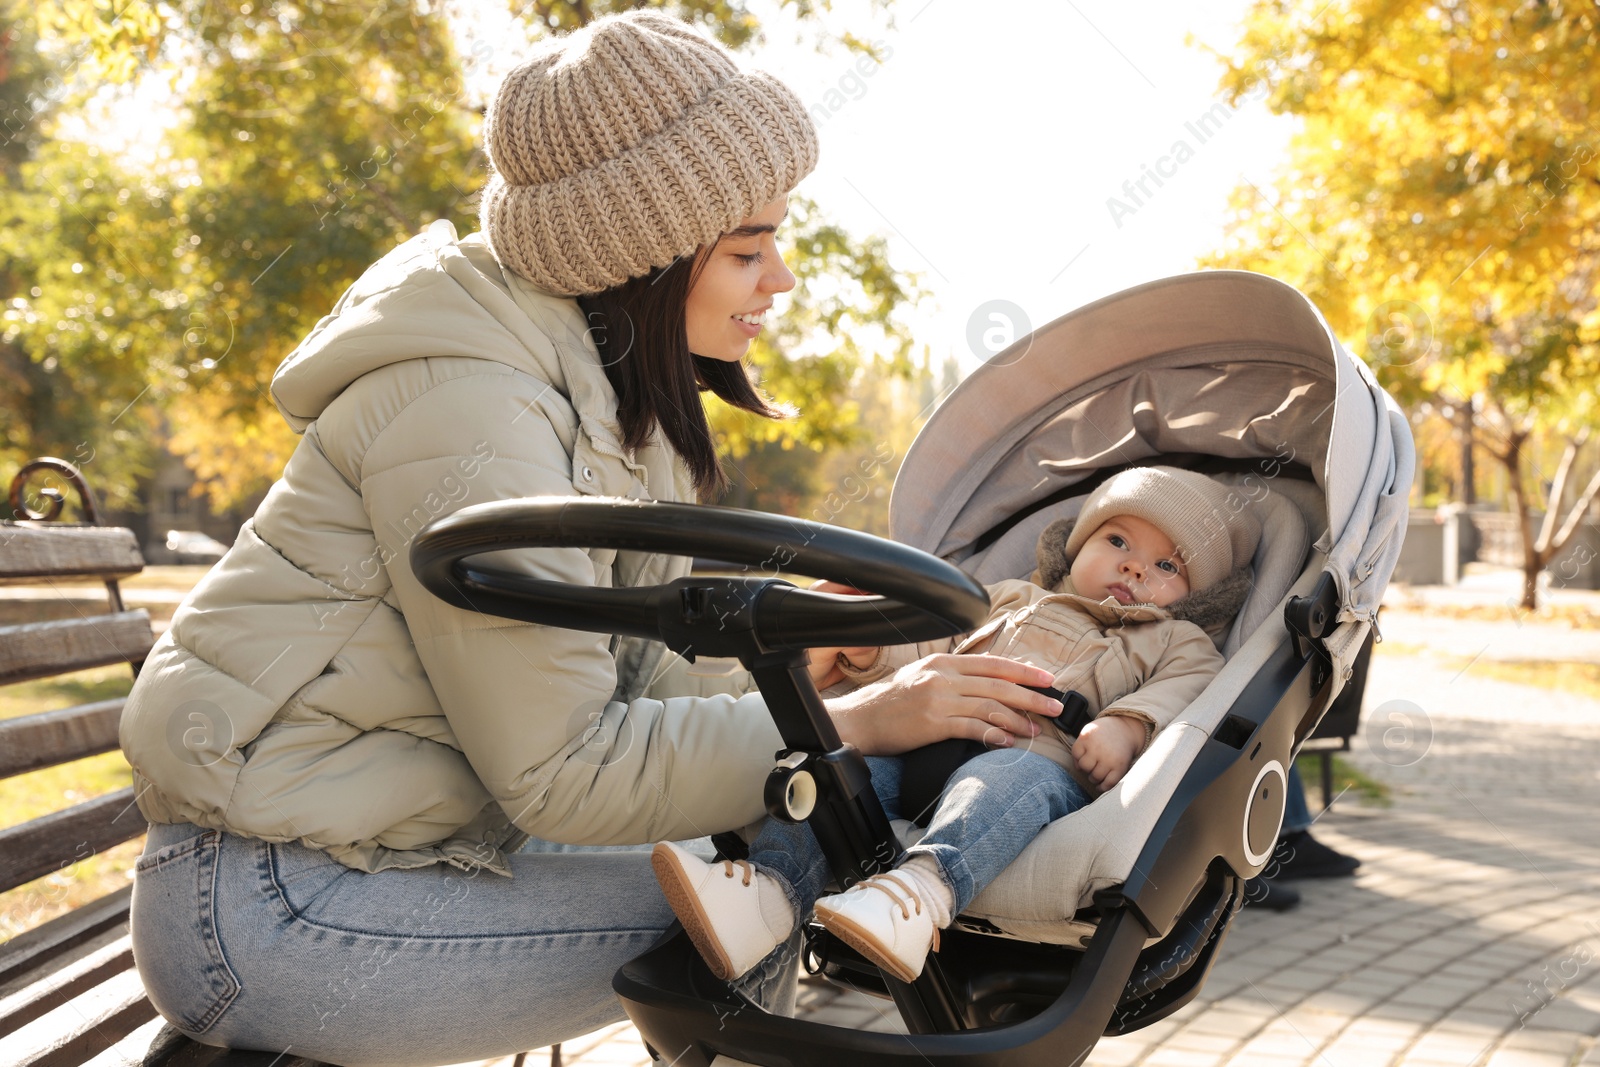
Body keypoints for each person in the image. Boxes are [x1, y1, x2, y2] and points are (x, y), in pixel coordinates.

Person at [116, 13, 1063, 1067]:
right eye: (749, 249)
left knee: (754, 871)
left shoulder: (589, 396)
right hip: (271, 906)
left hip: (364, 853)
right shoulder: (475, 414)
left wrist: (792, 678)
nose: (782, 279)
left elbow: (614, 683)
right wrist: (859, 722)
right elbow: (568, 768)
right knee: (755, 903)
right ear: (640, 263)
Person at [653, 466, 1264, 982]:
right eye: (1118, 542)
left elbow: (1187, 695)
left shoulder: (1175, 639)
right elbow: (929, 651)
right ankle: (764, 894)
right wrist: (871, 654)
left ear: (1194, 597)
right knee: (839, 775)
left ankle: (918, 895)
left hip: (1037, 763)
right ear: (1077, 547)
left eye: (1166, 565)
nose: (1134, 570)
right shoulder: (1009, 599)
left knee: (995, 787)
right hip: (926, 738)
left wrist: (1127, 728)